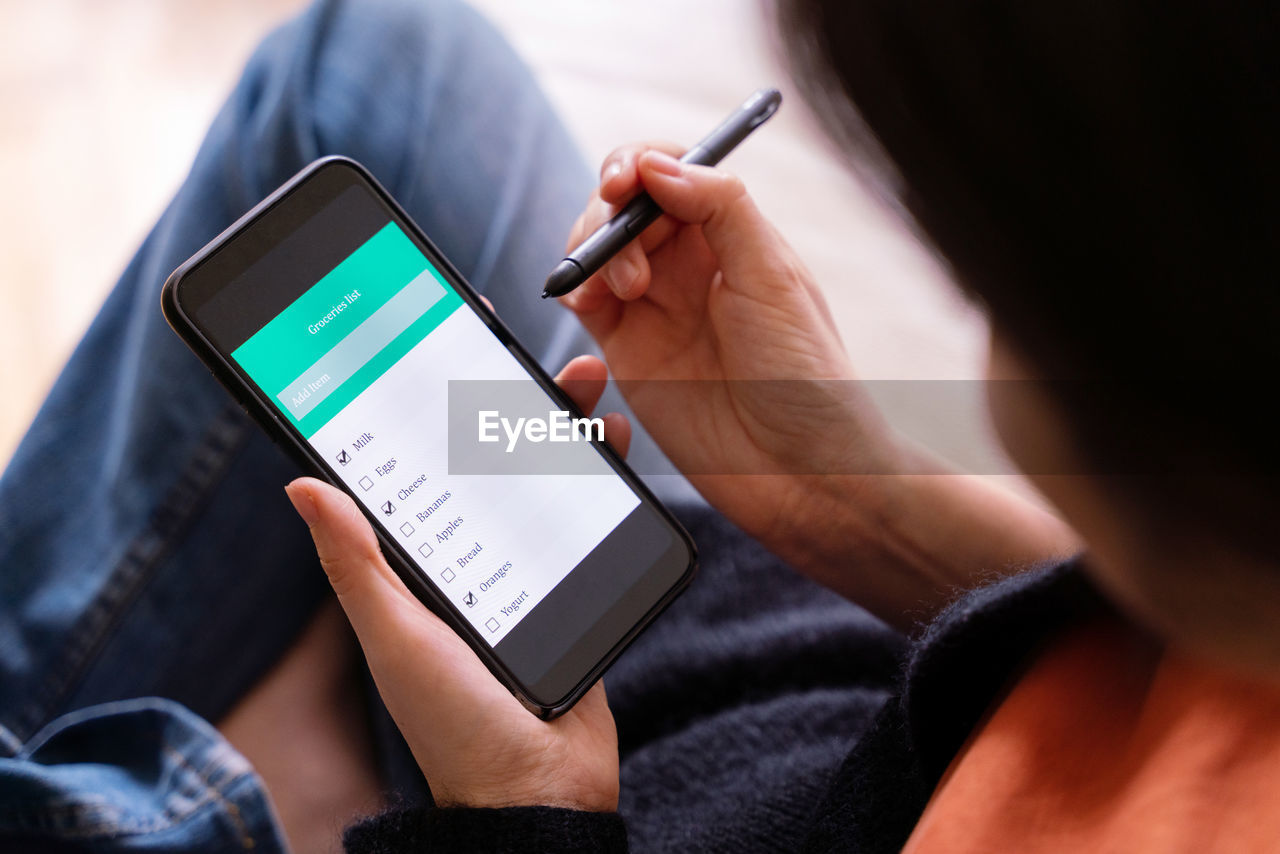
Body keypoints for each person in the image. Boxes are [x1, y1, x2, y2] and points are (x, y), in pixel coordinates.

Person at [3, 0, 1278, 851]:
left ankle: (238, 786)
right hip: (766, 643)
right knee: (377, 65)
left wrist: (513, 811)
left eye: (1003, 289)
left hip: (590, 795)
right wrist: (853, 498)